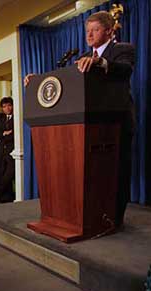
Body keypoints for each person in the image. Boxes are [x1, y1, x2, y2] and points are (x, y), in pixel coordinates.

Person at [24, 11, 135, 227]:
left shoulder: (123, 49)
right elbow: (68, 83)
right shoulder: (82, 55)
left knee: (117, 171)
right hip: (87, 125)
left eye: (95, 30)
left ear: (109, 31)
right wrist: (38, 80)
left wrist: (101, 62)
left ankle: (114, 219)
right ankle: (88, 215)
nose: (90, 35)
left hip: (116, 123)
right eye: (87, 31)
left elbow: (125, 70)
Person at [0, 97, 15, 202]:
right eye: (4, 106)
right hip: (1, 151)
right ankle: (6, 197)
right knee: (2, 172)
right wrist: (4, 133)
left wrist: (3, 135)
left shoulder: (16, 118)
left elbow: (14, 135)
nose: (7, 108)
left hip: (12, 150)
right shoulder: (2, 119)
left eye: (9, 105)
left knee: (9, 174)